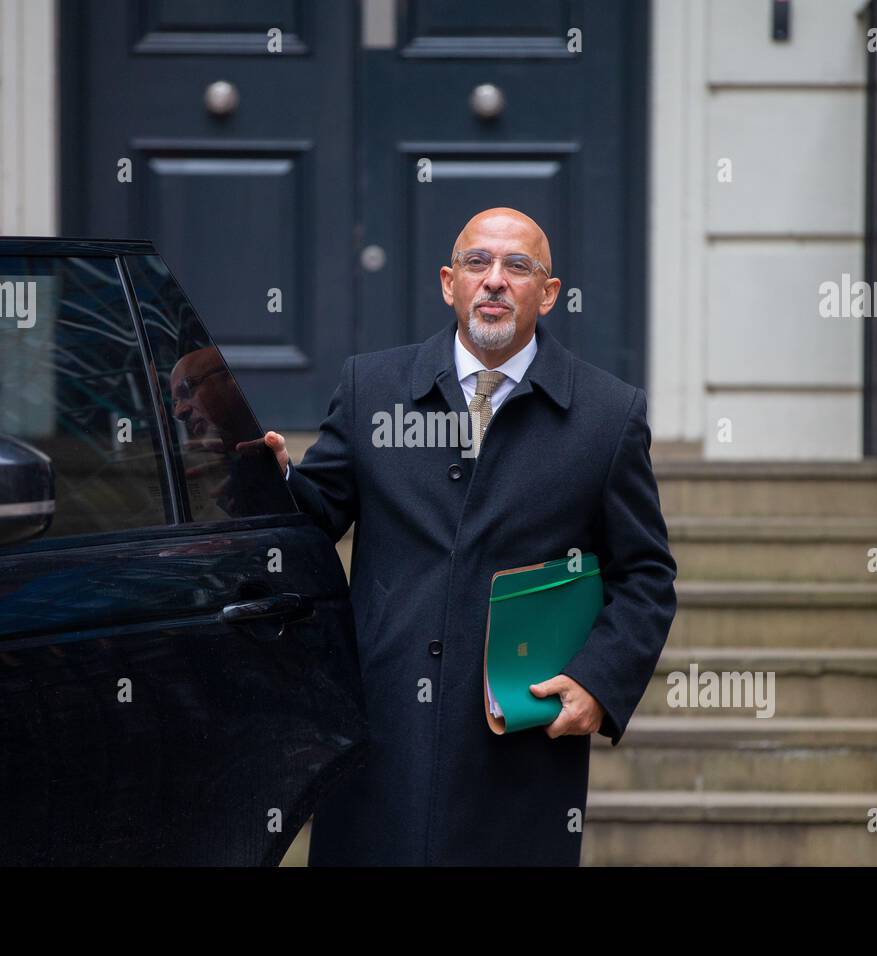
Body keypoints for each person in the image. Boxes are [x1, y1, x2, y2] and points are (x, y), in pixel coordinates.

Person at [263, 207, 677, 865]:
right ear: (447, 283)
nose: (493, 281)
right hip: (379, 729)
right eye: (477, 263)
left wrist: (599, 681)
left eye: (517, 266)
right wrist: (276, 480)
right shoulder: (371, 389)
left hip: (517, 749)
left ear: (548, 293)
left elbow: (646, 576)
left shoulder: (607, 416)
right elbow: (313, 523)